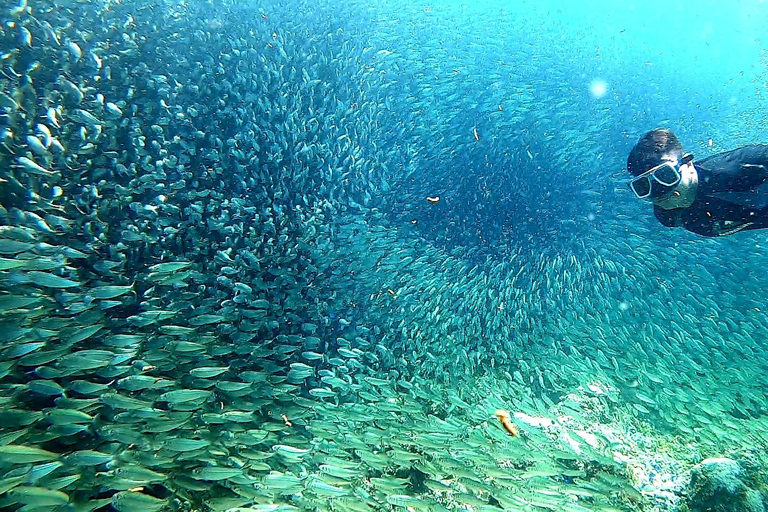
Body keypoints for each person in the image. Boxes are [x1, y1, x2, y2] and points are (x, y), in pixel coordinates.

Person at [626, 129, 768, 237]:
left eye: (664, 175)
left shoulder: (742, 164)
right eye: (643, 186)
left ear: (687, 162)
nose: (659, 192)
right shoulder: (668, 216)